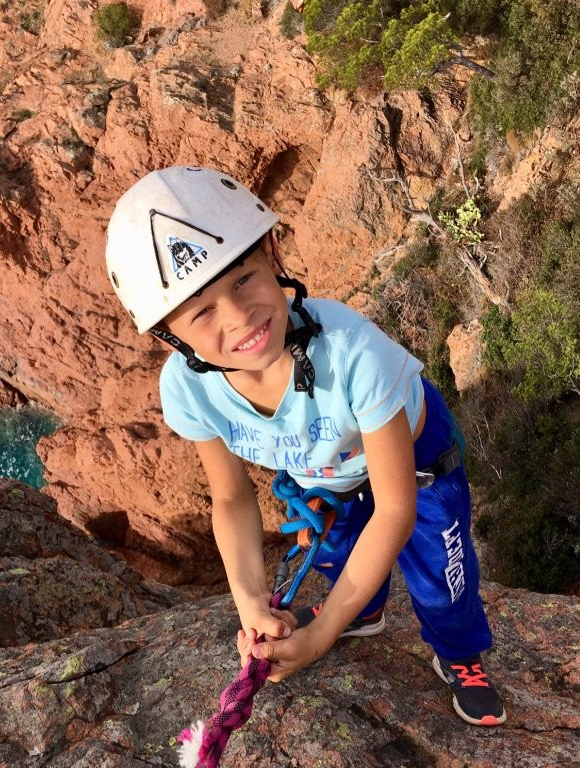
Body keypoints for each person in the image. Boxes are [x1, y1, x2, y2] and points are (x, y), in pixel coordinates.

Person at [104, 165, 506, 726]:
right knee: (338, 542)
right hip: (322, 458)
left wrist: (316, 638)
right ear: (170, 335)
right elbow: (231, 498)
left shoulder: (351, 351)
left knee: (440, 570)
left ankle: (459, 652)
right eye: (201, 311)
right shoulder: (187, 389)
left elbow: (395, 509)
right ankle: (361, 609)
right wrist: (250, 601)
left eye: (243, 279)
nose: (239, 316)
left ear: (272, 253)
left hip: (411, 456)